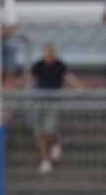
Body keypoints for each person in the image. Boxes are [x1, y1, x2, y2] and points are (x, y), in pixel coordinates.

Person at [26, 44, 84, 175]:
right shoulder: (38, 65)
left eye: (50, 52)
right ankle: (45, 160)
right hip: (39, 101)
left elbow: (69, 78)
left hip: (54, 101)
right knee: (39, 132)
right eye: (46, 52)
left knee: (50, 129)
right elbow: (28, 78)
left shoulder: (59, 65)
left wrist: (83, 88)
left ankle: (55, 142)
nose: (48, 55)